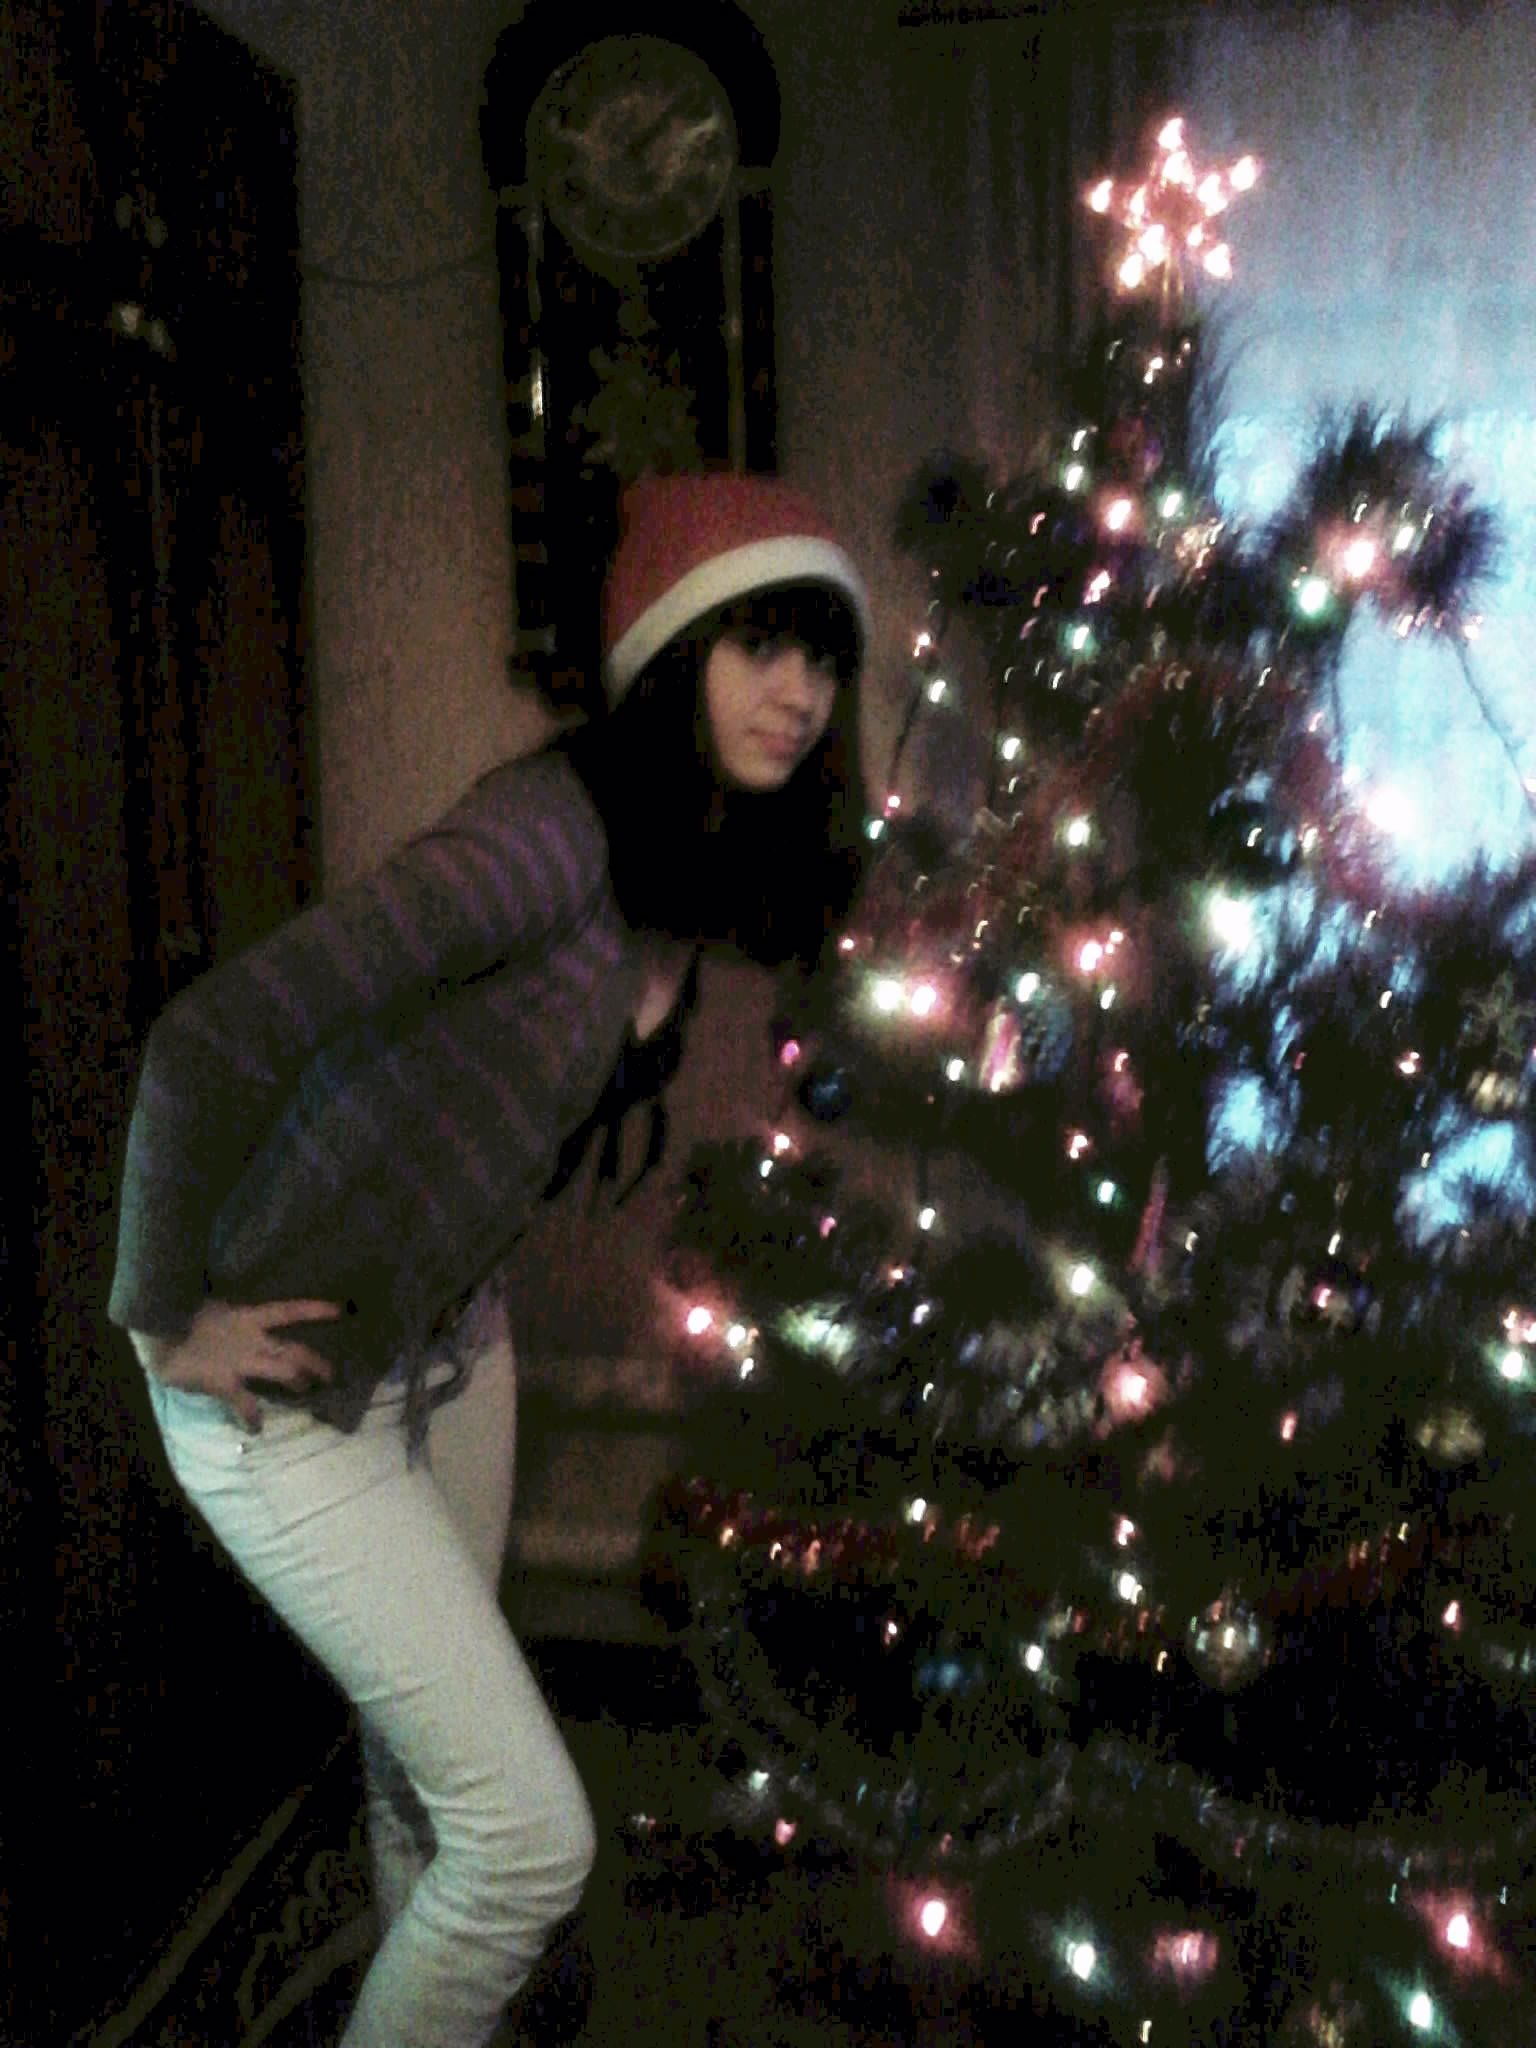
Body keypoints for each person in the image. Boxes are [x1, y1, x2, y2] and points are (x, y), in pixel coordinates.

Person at [109, 471, 872, 2048]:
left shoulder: (680, 850)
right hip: (282, 1397)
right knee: (527, 1843)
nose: (799, 691)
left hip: (451, 1349)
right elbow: (210, 1039)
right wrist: (162, 1314)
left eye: (822, 655)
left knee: (428, 1781)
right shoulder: (540, 840)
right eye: (760, 644)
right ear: (673, 654)